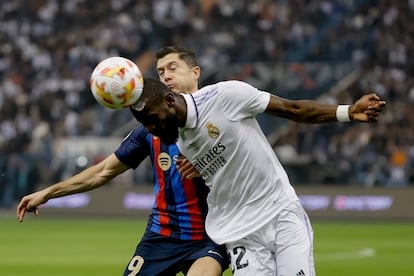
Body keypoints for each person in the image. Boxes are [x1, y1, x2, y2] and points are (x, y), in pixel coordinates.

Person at [128, 75, 386, 275]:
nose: (151, 129)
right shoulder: (182, 142)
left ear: (170, 101)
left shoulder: (225, 96)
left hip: (280, 212)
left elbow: (292, 109)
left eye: (152, 119)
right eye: (145, 125)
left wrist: (348, 112)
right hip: (240, 232)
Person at [16, 47, 229, 276]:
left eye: (172, 68)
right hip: (161, 237)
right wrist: (47, 193)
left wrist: (211, 165)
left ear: (196, 72)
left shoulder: (222, 116)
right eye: (160, 71)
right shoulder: (150, 129)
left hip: (210, 235)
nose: (166, 75)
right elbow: (103, 172)